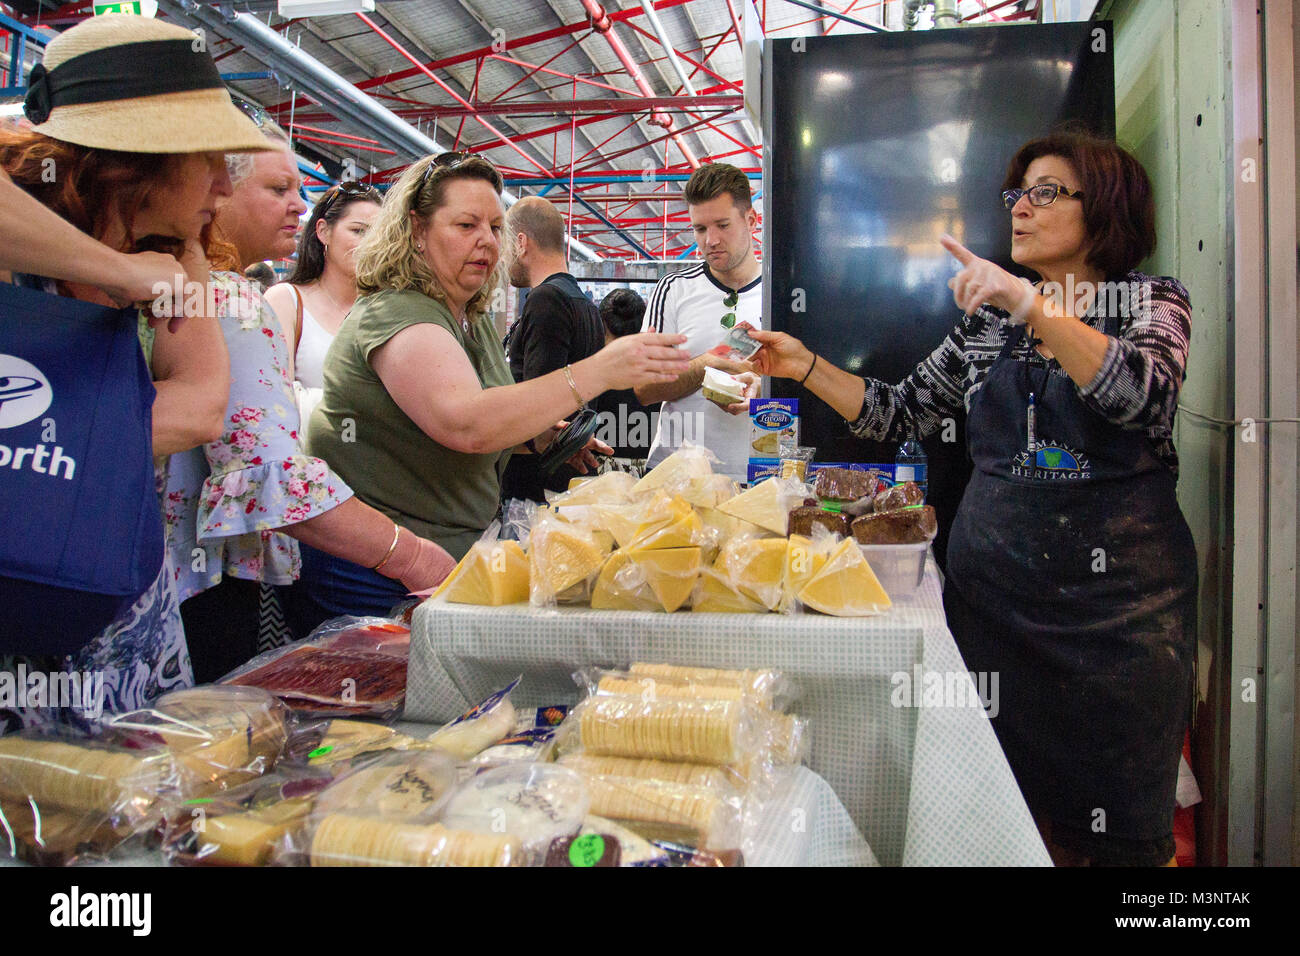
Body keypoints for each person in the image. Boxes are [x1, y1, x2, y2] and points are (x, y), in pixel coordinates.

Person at [751, 130, 1196, 867]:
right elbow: (899, 410)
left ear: (1107, 206)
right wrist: (806, 367)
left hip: (1118, 637)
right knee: (996, 825)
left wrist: (1032, 304)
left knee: (1116, 844)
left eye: (1046, 192)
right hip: (992, 625)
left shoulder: (1150, 302)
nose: (1021, 208)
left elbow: (1140, 393)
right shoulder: (991, 325)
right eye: (1017, 194)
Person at [0, 13, 271, 728]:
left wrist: (173, 260)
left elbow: (200, 408)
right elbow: (167, 415)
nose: (223, 181)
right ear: (132, 159)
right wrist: (118, 268)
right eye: (206, 154)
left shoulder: (176, 252)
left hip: (115, 628)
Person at [301, 153, 690, 621]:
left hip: (451, 554)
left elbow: (486, 411)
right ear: (417, 231)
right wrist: (601, 370)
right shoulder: (396, 312)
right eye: (466, 225)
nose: (486, 240)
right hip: (380, 569)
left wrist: (539, 437)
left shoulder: (470, 315)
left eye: (495, 227)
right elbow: (466, 423)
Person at [168, 129, 455, 681]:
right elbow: (270, 475)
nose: (298, 204)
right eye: (278, 189)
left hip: (185, 558)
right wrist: (411, 554)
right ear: (216, 190)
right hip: (206, 570)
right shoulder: (237, 300)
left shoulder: (179, 286)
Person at [636, 163, 762, 480]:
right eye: (700, 229)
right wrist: (712, 364)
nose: (711, 240)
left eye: (722, 225)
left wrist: (766, 388)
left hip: (756, 477)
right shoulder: (673, 290)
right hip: (675, 476)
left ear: (751, 220)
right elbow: (644, 390)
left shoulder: (783, 296)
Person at [498, 195, 607, 502]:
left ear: (521, 243)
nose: (502, 259)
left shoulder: (546, 299)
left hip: (536, 485)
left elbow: (538, 404)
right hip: (564, 476)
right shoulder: (585, 305)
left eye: (505, 246)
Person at [264, 180, 382, 442]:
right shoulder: (286, 301)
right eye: (358, 230)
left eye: (378, 235)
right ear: (323, 231)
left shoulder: (384, 312)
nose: (370, 244)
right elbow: (272, 400)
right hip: (308, 469)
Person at [592, 288, 657, 461]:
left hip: (597, 477)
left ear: (601, 326)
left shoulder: (591, 373)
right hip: (650, 476)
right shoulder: (658, 372)